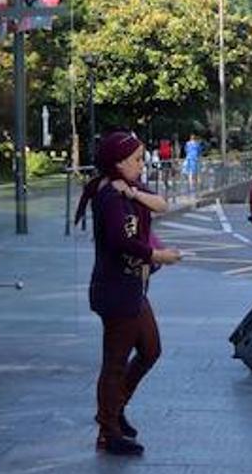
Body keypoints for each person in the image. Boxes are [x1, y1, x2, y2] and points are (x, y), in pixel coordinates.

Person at [75, 131, 182, 455]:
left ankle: (114, 409)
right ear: (118, 162)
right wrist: (158, 256)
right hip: (116, 288)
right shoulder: (108, 196)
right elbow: (121, 243)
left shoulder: (127, 189)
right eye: (136, 159)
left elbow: (161, 205)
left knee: (150, 349)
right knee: (116, 362)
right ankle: (108, 431)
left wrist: (134, 193)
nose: (141, 164)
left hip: (133, 286)